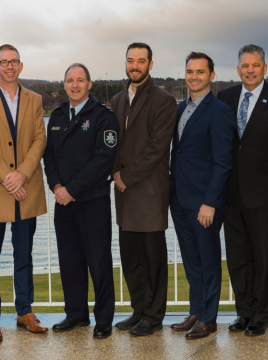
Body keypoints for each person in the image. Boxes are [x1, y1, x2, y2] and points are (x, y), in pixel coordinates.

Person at [216, 44, 268, 336]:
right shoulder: (225, 97)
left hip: (266, 194)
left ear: (265, 69)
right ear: (238, 69)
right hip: (231, 193)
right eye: (244, 65)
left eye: (255, 65)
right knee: (237, 256)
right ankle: (244, 312)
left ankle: (262, 315)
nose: (249, 70)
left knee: (263, 256)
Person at [0, 44, 48, 342]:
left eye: (14, 61)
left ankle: (24, 312)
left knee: (24, 255)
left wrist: (22, 175)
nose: (9, 66)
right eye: (3, 62)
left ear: (21, 65)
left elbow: (39, 139)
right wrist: (8, 178)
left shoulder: (35, 99)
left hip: (26, 188)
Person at [43, 63, 119, 339]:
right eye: (70, 80)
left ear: (90, 84)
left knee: (98, 261)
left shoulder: (103, 116)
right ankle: (76, 313)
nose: (75, 85)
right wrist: (56, 185)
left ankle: (103, 320)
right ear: (64, 85)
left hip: (92, 201)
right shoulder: (58, 115)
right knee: (70, 260)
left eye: (80, 80)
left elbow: (103, 159)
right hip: (63, 201)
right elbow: (48, 156)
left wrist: (72, 189)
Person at [111, 42, 177, 336]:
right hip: (124, 193)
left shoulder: (163, 100)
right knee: (131, 256)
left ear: (151, 64)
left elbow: (158, 148)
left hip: (148, 191)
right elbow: (112, 141)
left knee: (153, 258)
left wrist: (127, 176)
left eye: (141, 61)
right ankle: (139, 309)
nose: (134, 65)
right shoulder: (116, 99)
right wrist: (113, 171)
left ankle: (154, 314)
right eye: (130, 60)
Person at [169, 52, 235, 340]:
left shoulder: (218, 110)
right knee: (191, 260)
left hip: (204, 203)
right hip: (180, 198)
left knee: (208, 260)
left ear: (211, 75)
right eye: (189, 71)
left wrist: (210, 202)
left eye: (200, 72)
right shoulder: (181, 107)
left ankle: (209, 318)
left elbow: (223, 161)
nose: (193, 76)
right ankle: (196, 311)